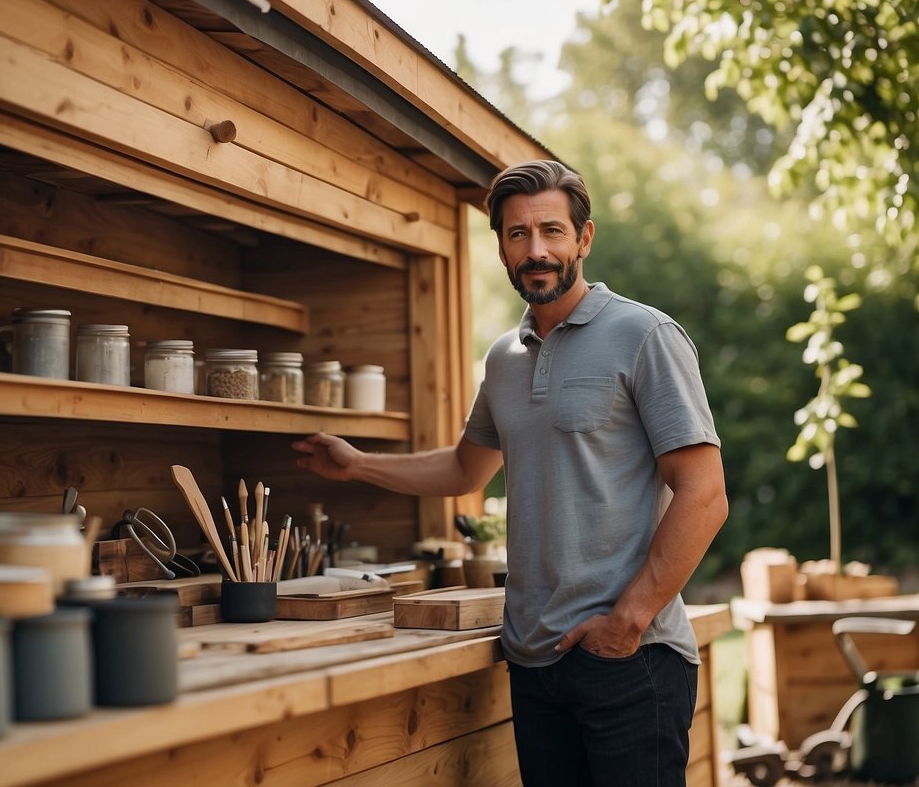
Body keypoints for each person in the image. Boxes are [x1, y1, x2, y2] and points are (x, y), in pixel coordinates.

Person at [292, 159, 728, 786]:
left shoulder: (645, 335)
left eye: (552, 231)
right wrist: (359, 465)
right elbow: (465, 468)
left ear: (585, 238)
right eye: (518, 234)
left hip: (631, 660)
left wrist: (627, 622)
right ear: (499, 246)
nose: (537, 250)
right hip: (533, 662)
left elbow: (705, 494)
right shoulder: (503, 359)